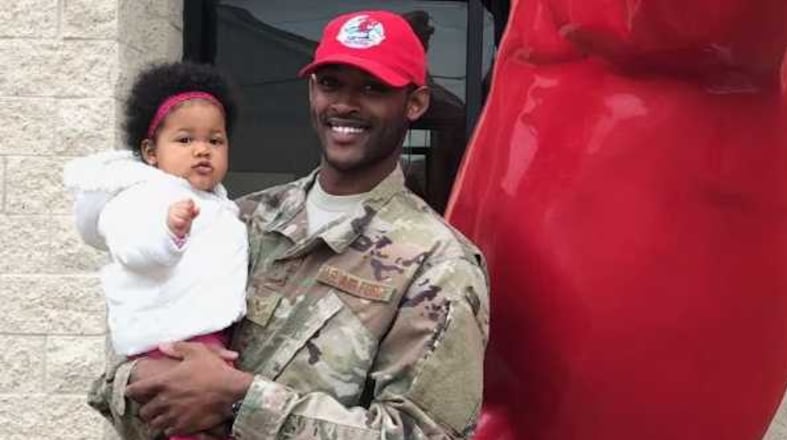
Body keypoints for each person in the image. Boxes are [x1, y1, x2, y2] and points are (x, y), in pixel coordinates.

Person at [88, 10, 490, 440]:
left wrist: (239, 400)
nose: (344, 104)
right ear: (312, 90)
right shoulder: (238, 220)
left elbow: (425, 433)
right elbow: (123, 370)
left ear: (415, 103)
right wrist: (143, 380)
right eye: (330, 83)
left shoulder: (437, 263)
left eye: (373, 88)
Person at [65, 62, 247, 440]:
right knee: (186, 425)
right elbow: (132, 247)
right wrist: (169, 232)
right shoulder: (142, 195)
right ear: (150, 151)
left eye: (215, 141)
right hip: (169, 343)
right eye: (185, 140)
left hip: (205, 336)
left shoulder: (217, 202)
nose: (202, 150)